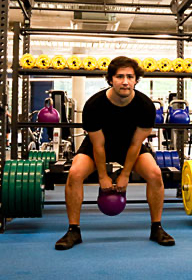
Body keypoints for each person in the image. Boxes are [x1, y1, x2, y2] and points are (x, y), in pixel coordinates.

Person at [55, 56, 175, 250]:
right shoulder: (94, 105)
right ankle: (73, 230)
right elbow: (99, 146)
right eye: (120, 76)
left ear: (136, 80)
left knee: (155, 173)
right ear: (110, 79)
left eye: (130, 76)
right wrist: (102, 176)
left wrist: (125, 175)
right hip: (98, 146)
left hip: (129, 146)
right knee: (75, 174)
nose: (125, 81)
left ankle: (157, 227)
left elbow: (136, 144)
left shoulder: (145, 106)